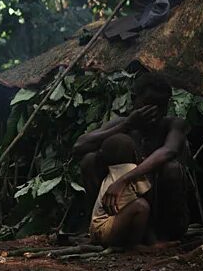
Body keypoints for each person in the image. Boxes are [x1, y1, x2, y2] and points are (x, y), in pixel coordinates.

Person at [73, 72, 189, 242]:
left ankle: (161, 236)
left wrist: (125, 179)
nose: (154, 113)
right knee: (89, 160)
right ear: (135, 100)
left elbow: (168, 151)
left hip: (161, 213)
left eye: (160, 106)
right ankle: (101, 227)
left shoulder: (173, 124)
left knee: (171, 168)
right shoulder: (123, 124)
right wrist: (127, 125)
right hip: (122, 209)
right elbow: (79, 147)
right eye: (148, 105)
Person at [89, 134, 152, 247]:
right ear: (134, 153)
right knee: (141, 206)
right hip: (105, 231)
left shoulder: (111, 171)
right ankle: (134, 246)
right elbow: (148, 192)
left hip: (96, 229)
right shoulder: (131, 170)